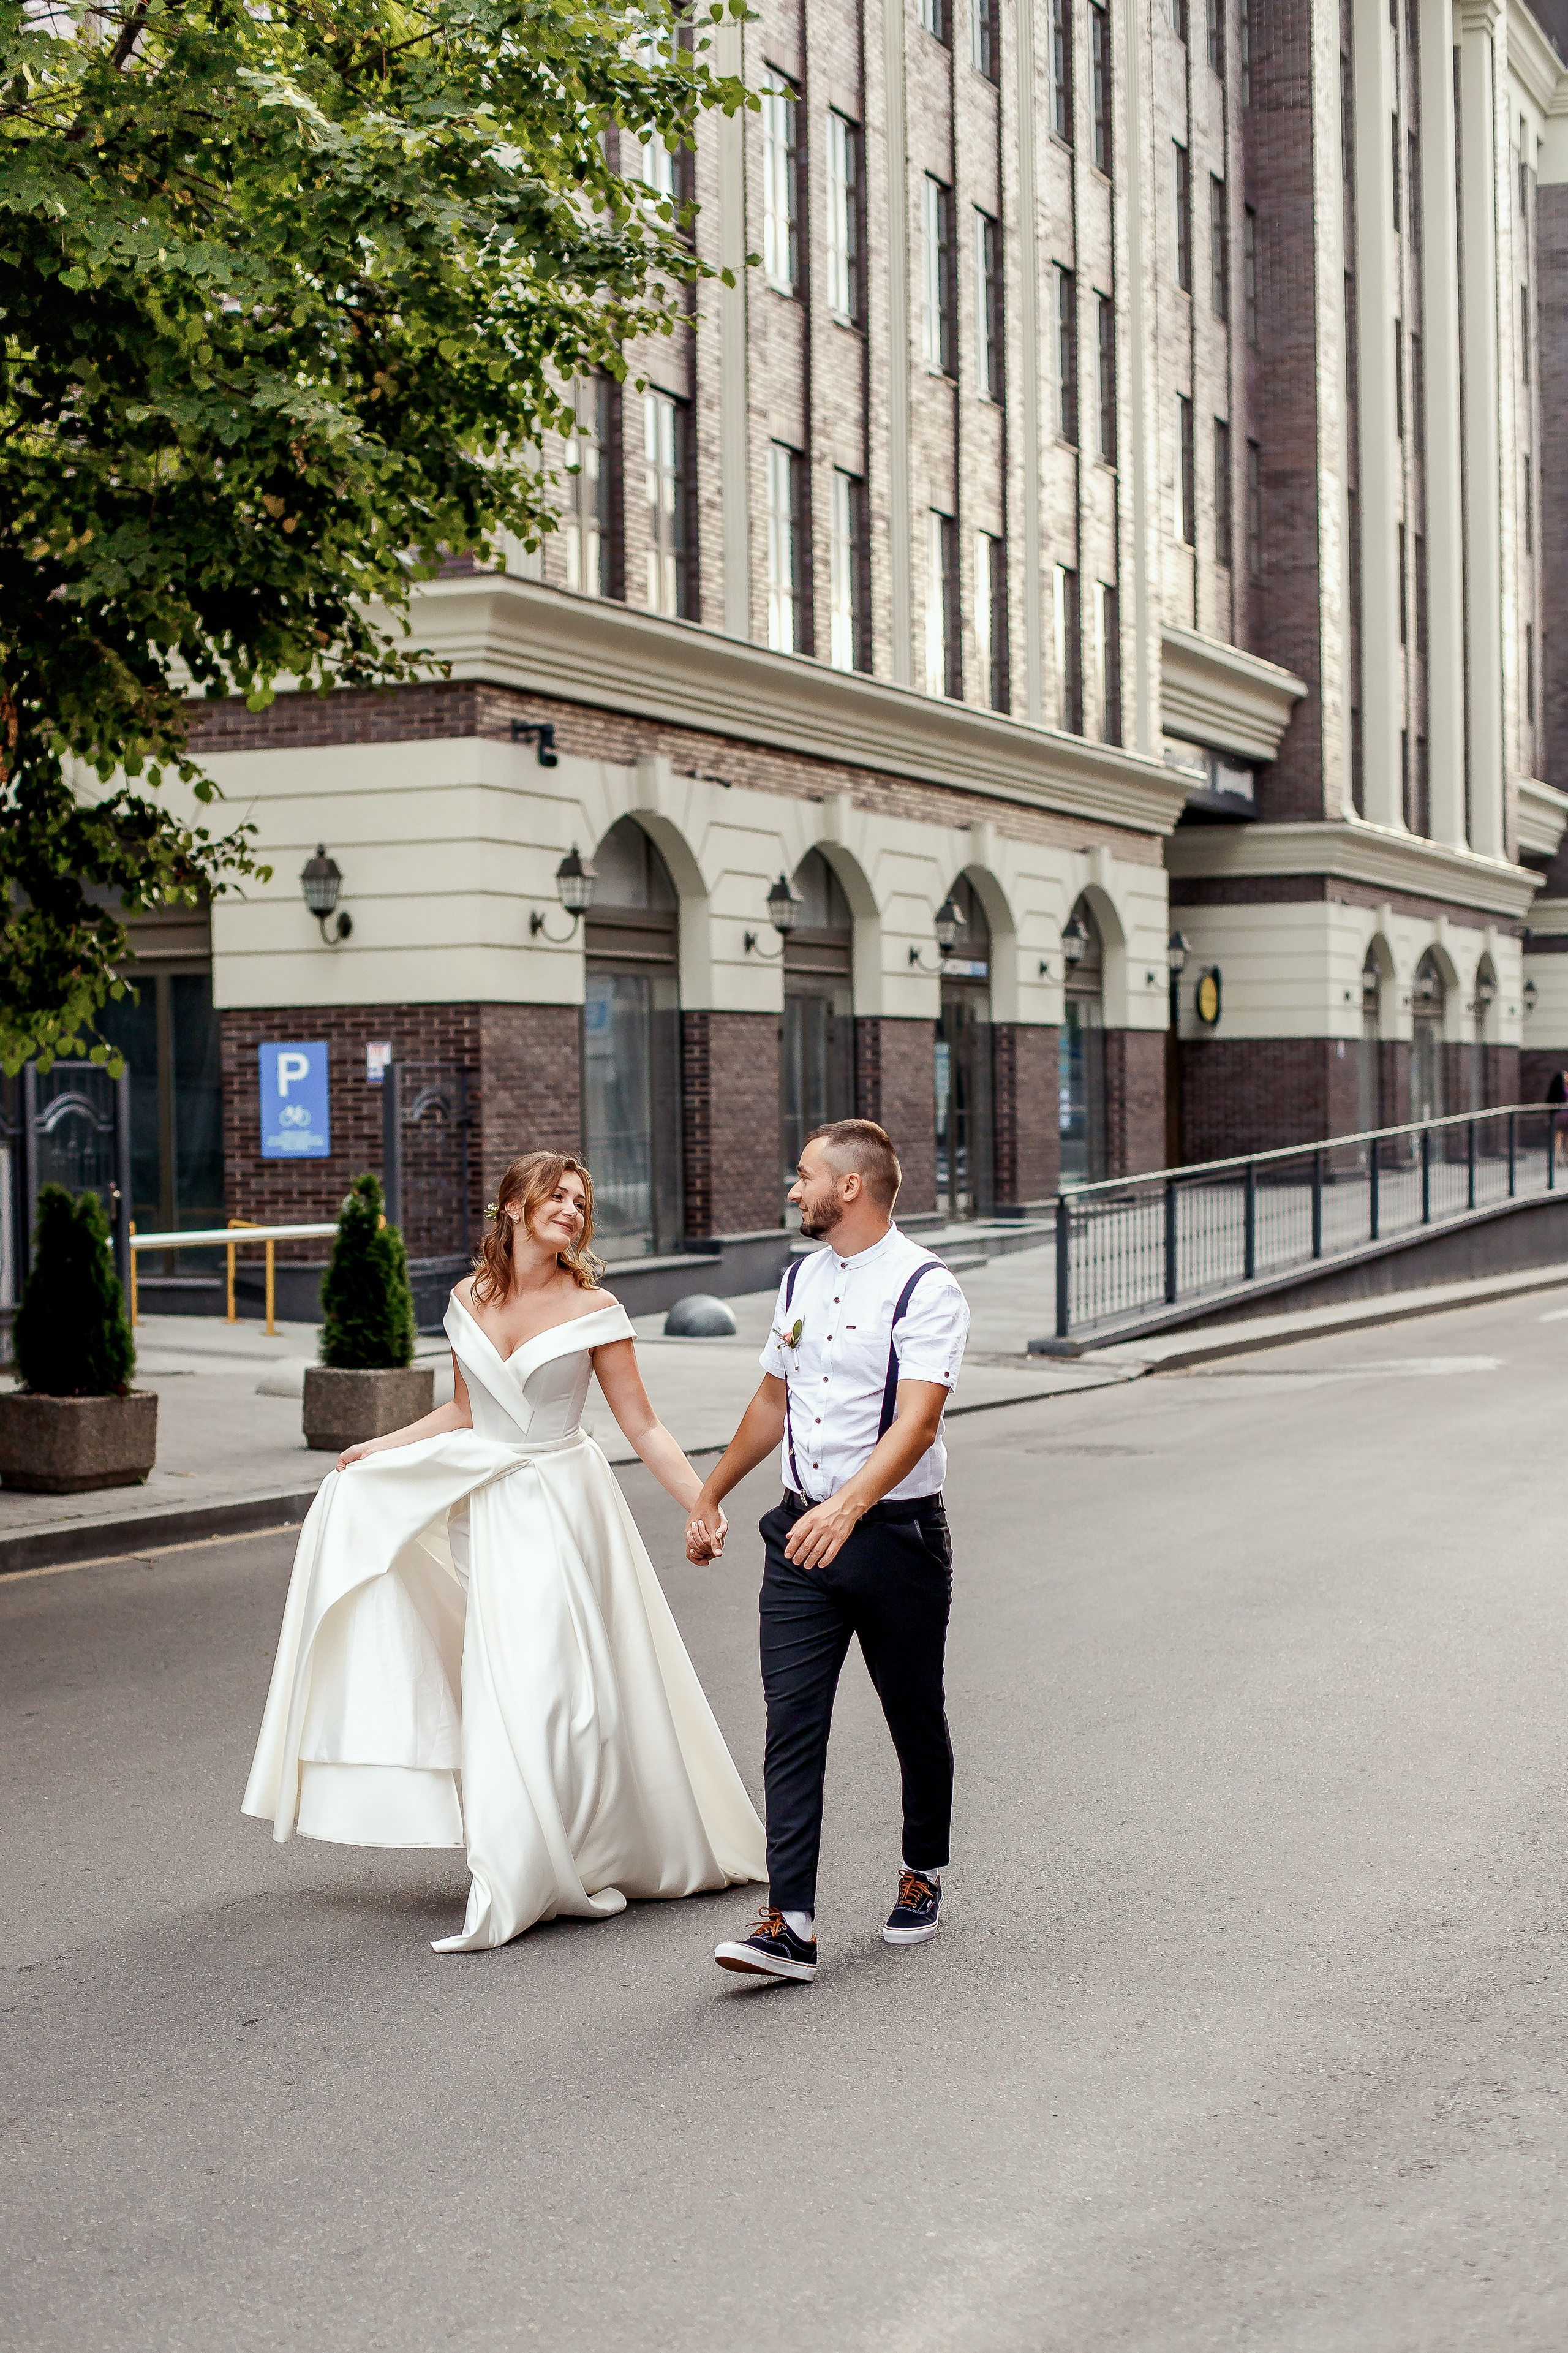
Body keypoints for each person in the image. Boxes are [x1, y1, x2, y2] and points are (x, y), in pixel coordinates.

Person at [244, 1150, 766, 1951]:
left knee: (562, 1684)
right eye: (555, 1194)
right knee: (505, 1678)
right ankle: (525, 1859)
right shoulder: (466, 1300)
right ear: (515, 1207)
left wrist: (702, 1499)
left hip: (565, 1505)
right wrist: (376, 1448)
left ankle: (569, 1850)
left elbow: (642, 1425)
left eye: (581, 1199)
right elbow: (462, 1408)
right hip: (490, 1506)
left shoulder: (597, 1308)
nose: (571, 1207)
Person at [685, 1120, 970, 1984]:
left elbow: (919, 1418)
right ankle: (791, 1921)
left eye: (804, 1174)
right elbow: (774, 1398)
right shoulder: (801, 1277)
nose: (792, 1187)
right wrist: (711, 1490)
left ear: (850, 1186)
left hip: (895, 1537)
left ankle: (922, 1867)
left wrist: (851, 1505)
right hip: (800, 1533)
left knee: (913, 1714)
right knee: (792, 1723)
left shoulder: (927, 1286)